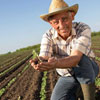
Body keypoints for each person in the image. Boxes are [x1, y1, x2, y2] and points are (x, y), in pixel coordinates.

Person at [30, 0, 99, 100]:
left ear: (72, 16)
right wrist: (40, 61)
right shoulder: (48, 36)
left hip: (89, 69)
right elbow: (45, 55)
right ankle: (78, 90)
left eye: (64, 19)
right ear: (50, 23)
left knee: (82, 60)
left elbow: (76, 58)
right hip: (68, 75)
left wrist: (56, 63)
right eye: (56, 22)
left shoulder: (82, 28)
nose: (61, 25)